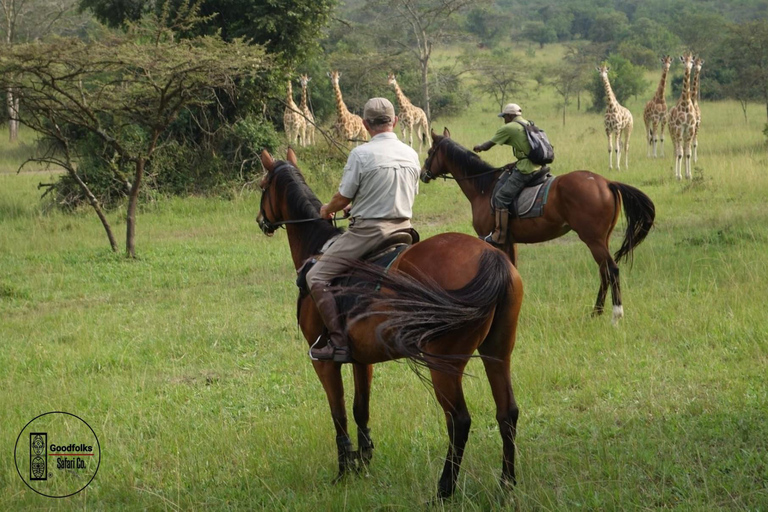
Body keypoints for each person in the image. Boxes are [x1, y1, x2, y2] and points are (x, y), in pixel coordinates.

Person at [305, 97, 421, 363]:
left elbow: (343, 197)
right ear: (395, 121)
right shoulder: (411, 153)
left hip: (370, 234)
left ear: (365, 124)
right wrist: (361, 205)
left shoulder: (361, 154)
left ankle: (337, 343)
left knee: (316, 277)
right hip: (404, 229)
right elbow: (405, 193)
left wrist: (327, 210)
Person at [473, 103, 542, 245]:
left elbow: (488, 145)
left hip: (526, 168)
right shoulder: (529, 124)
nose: (504, 119)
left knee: (501, 197)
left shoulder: (510, 127)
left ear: (510, 116)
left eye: (505, 117)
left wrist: (479, 147)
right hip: (537, 165)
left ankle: (499, 235)